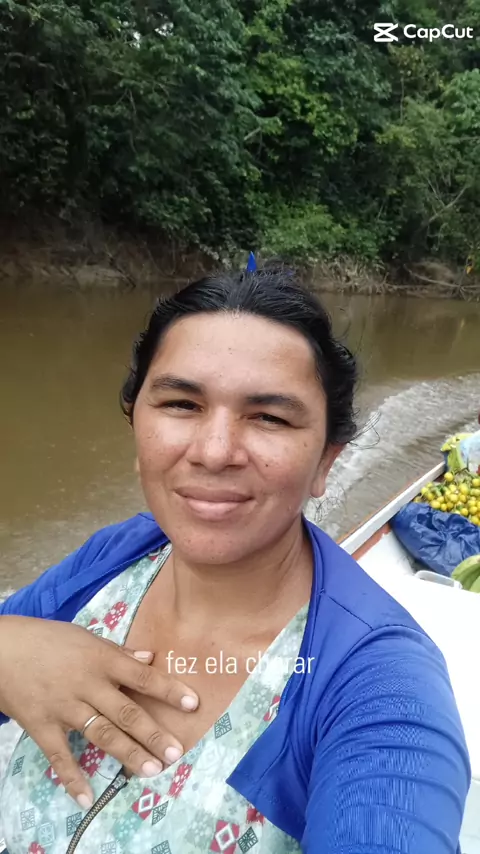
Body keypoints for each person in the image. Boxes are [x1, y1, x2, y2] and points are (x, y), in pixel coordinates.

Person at [0, 269, 470, 854]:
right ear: (136, 424)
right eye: (181, 403)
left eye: (270, 417)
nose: (215, 451)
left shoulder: (379, 687)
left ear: (326, 461)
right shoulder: (114, 558)